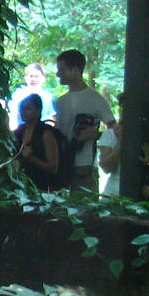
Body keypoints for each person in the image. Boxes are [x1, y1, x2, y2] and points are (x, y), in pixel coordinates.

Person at [51, 49, 116, 192]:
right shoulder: (61, 101)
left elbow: (115, 129)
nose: (58, 74)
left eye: (61, 69)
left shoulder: (96, 99)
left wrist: (96, 135)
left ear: (74, 70)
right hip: (62, 163)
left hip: (84, 166)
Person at [12, 94, 61, 190]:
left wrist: (32, 158)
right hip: (21, 184)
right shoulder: (18, 131)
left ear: (38, 111)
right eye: (21, 109)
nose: (23, 112)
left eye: (28, 109)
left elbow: (53, 168)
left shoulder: (46, 133)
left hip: (43, 185)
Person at [8, 63, 56, 131]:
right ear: (25, 78)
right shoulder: (18, 95)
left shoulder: (47, 96)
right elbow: (13, 115)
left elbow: (49, 117)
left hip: (41, 131)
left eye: (36, 76)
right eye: (31, 76)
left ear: (43, 78)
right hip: (22, 130)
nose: (33, 79)